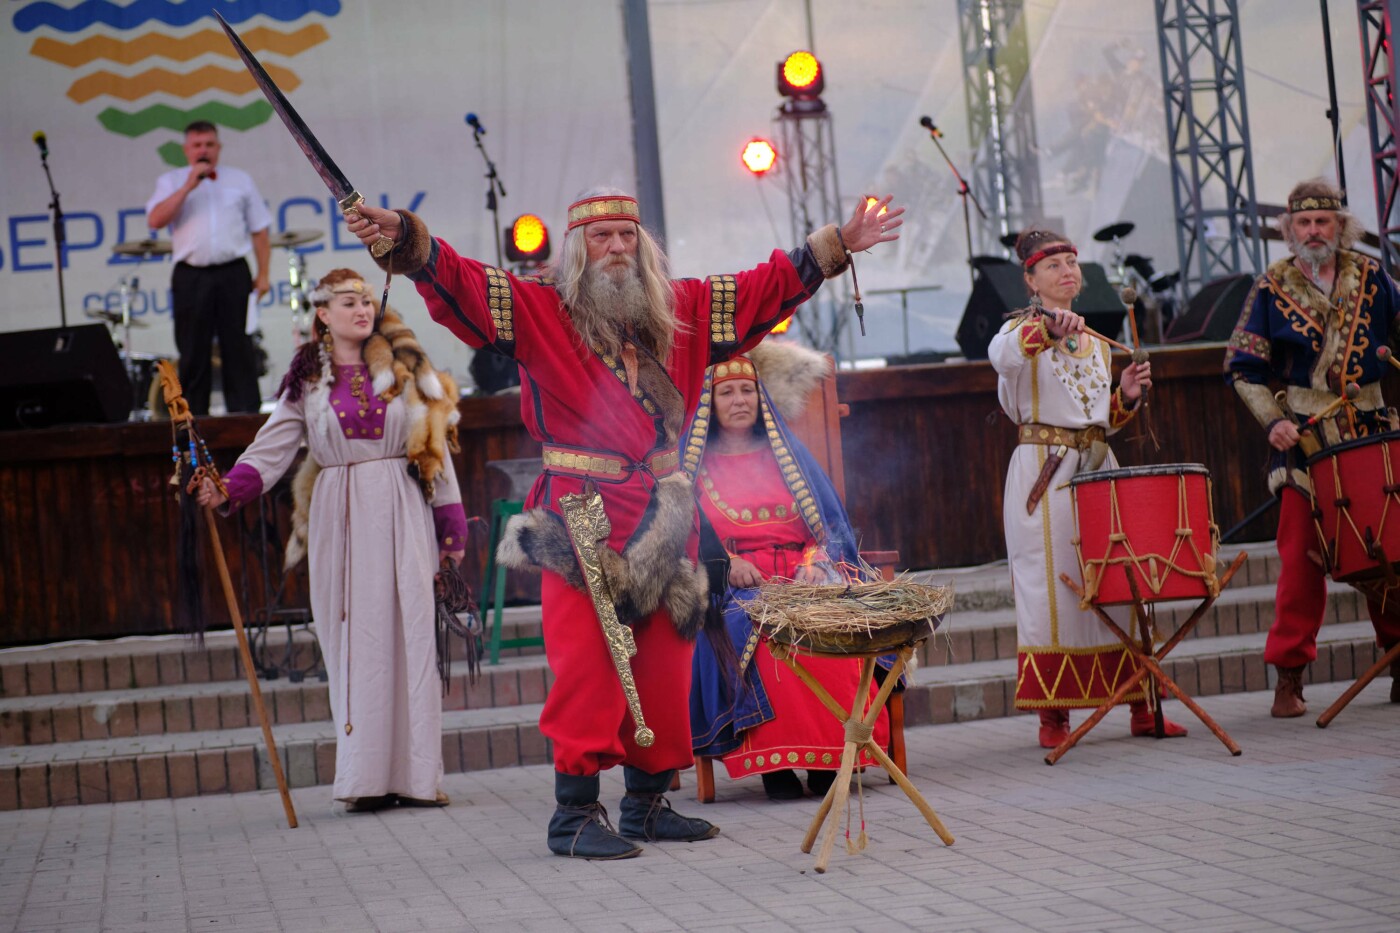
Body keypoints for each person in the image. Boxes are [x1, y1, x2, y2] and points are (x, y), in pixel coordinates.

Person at [345, 188, 902, 859]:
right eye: (601, 237)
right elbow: (458, 279)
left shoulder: (685, 309)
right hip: (581, 515)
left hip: (667, 511)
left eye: (626, 236)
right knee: (590, 668)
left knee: (667, 667)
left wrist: (835, 244)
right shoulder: (540, 308)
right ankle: (574, 815)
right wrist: (406, 233)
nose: (616, 249)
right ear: (578, 251)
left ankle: (646, 802)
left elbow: (766, 285)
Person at [195, 268, 468, 811]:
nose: (362, 310)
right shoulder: (308, 381)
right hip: (340, 515)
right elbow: (270, 449)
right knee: (352, 639)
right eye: (348, 302)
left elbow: (432, 445)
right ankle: (364, 778)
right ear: (323, 314)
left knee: (412, 637)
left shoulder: (405, 367)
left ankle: (417, 777)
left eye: (366, 301)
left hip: (401, 505)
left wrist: (451, 523)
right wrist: (230, 489)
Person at [989, 227, 1187, 749]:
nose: (1067, 271)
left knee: (1120, 580)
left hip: (1099, 469)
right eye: (1053, 266)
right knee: (1050, 591)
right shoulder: (1015, 332)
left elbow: (1100, 421)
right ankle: (1052, 717)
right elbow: (1004, 359)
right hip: (1043, 474)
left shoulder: (1097, 344)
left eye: (1072, 262)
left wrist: (1124, 394)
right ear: (1030, 279)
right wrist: (1049, 331)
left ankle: (1142, 706)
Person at [685, 343, 889, 800]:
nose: (739, 400)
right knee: (755, 630)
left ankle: (832, 758)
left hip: (803, 579)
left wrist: (818, 562)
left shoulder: (790, 457)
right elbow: (683, 539)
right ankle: (775, 766)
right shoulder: (692, 467)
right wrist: (726, 563)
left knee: (833, 626)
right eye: (727, 393)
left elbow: (830, 525)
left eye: (747, 391)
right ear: (709, 405)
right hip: (737, 590)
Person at [1226, 178, 1400, 716]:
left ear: (1341, 227)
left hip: (1369, 430)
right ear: (1288, 231)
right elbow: (1242, 368)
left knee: (1389, 550)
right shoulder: (1269, 287)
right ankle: (1289, 678)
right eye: (1302, 223)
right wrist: (1274, 421)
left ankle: (1399, 658)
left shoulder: (1372, 277)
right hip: (1305, 439)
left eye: (1323, 221)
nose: (1313, 230)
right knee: (1301, 558)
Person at [146, 120, 271, 415]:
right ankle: (193, 423)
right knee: (193, 352)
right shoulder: (171, 181)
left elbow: (260, 230)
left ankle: (246, 423)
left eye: (209, 144)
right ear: (186, 150)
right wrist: (189, 185)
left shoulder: (239, 179)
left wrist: (263, 273)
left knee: (238, 349)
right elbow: (155, 220)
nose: (204, 150)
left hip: (233, 271)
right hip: (192, 274)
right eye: (197, 145)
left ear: (219, 147)